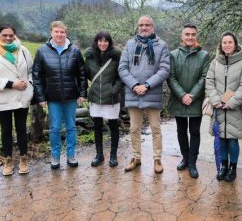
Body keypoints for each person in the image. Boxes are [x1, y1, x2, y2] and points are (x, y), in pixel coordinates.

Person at [118, 15, 170, 174]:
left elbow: (164, 69)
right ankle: (136, 157)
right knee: (134, 128)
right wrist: (134, 85)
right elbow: (122, 68)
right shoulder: (130, 44)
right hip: (133, 92)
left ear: (153, 27)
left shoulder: (162, 45)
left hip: (152, 92)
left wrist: (147, 85)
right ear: (138, 27)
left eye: (147, 25)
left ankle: (157, 159)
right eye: (141, 25)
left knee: (155, 128)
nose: (144, 27)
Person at [32, 21, 87, 169]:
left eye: (62, 32)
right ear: (51, 33)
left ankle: (71, 155)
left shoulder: (75, 51)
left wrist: (82, 93)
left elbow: (82, 74)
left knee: (71, 127)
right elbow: (36, 76)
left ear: (66, 34)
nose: (59, 34)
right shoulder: (42, 51)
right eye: (56, 31)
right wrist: (41, 97)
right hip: (52, 97)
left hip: (71, 96)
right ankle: (55, 156)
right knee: (55, 127)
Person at [0, 24, 33, 176]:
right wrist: (12, 84)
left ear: (15, 35)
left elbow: (31, 70)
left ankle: (23, 159)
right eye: (4, 35)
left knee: (21, 128)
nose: (8, 38)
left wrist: (29, 84)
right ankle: (8, 160)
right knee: (6, 130)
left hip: (21, 96)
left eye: (11, 35)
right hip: (2, 97)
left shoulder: (23, 50)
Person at [205, 32, 242, 182]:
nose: (227, 45)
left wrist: (232, 102)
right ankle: (223, 166)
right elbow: (209, 82)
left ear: (235, 44)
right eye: (224, 42)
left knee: (232, 140)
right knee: (221, 139)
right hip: (218, 108)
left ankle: (233, 168)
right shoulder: (215, 63)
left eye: (230, 42)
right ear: (221, 44)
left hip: (235, 109)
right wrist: (216, 100)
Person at [168, 24, 210, 178]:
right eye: (187, 34)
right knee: (181, 130)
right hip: (178, 99)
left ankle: (193, 162)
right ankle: (185, 158)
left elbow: (204, 77)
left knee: (194, 131)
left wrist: (191, 95)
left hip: (195, 100)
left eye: (193, 34)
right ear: (182, 36)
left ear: (196, 36)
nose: (190, 37)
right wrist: (182, 95)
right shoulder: (173, 55)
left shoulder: (204, 55)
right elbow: (171, 77)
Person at [84, 31, 122, 167]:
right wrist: (96, 86)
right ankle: (99, 155)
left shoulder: (116, 57)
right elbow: (87, 74)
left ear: (109, 42)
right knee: (98, 126)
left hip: (111, 97)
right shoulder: (90, 57)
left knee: (113, 126)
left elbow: (120, 77)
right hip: (95, 96)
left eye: (106, 41)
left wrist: (114, 90)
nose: (103, 43)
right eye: (100, 40)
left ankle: (113, 155)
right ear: (96, 42)